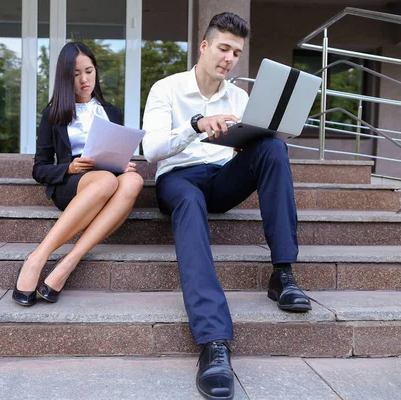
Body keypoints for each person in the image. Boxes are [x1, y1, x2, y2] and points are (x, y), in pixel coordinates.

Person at [141, 12, 311, 400]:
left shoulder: (239, 96)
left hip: (221, 179)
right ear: (204, 47)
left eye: (236, 52)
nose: (230, 58)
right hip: (179, 180)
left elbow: (252, 147)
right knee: (187, 200)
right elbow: (150, 151)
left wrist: (246, 142)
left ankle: (283, 274)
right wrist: (197, 125)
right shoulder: (166, 88)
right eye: (223, 48)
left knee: (272, 146)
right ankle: (214, 342)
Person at [12, 42, 144, 307]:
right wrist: (69, 167)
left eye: (89, 71)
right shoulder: (52, 114)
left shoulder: (112, 112)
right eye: (75, 74)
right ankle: (37, 258)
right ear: (65, 77)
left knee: (134, 180)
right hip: (72, 184)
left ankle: (68, 262)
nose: (85, 80)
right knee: (106, 180)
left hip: (107, 178)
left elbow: (114, 151)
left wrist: (122, 164)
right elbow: (40, 169)